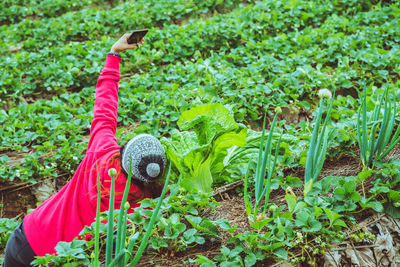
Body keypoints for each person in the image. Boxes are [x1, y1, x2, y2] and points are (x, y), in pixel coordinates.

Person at [3, 33, 166, 267]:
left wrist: (114, 54)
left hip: (26, 235)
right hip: (53, 259)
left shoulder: (102, 149)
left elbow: (105, 106)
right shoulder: (138, 209)